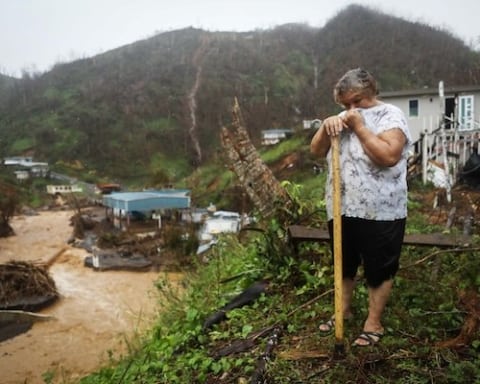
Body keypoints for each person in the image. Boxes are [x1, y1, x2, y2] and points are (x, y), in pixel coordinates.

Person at [310, 68, 411, 346]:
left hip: (380, 208)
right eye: (345, 105)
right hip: (342, 205)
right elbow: (316, 152)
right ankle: (343, 311)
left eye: (357, 102)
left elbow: (389, 156)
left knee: (380, 266)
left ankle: (373, 322)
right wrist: (325, 126)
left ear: (371, 94)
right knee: (344, 263)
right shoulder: (341, 118)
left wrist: (359, 126)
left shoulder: (390, 115)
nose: (351, 109)